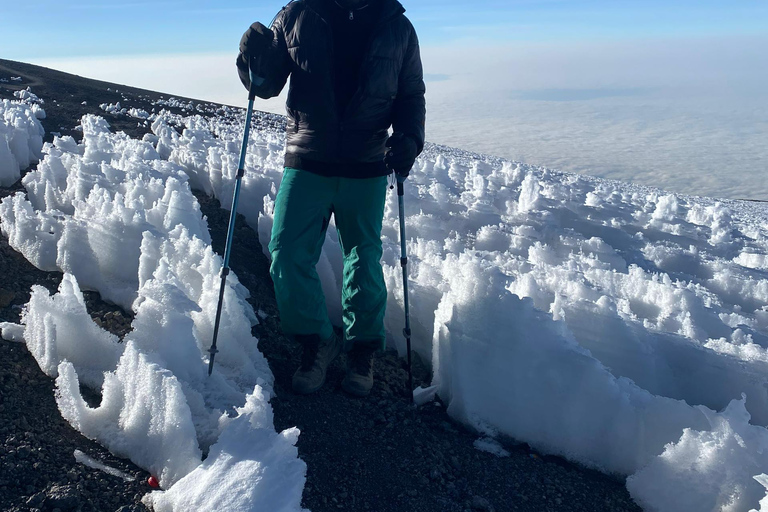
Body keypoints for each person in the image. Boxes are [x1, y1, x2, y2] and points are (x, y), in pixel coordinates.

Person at [236, 0, 426, 397]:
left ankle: (362, 351)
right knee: (287, 253)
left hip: (367, 160)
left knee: (365, 260)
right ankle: (317, 341)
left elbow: (411, 94)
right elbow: (264, 84)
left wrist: (409, 138)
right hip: (308, 158)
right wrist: (249, 56)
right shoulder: (295, 14)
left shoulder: (397, 27)